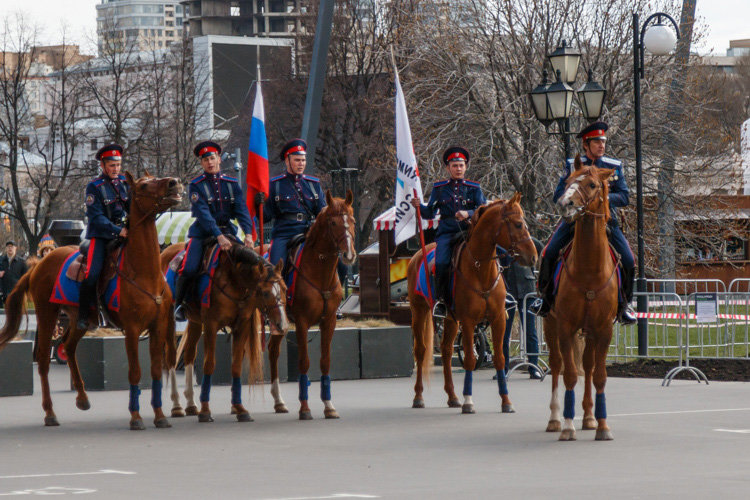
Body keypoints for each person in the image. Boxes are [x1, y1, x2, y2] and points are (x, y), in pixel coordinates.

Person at [530, 122, 636, 324]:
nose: (601, 145)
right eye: (597, 142)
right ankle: (544, 299)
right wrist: (576, 200)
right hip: (574, 221)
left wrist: (599, 200)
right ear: (586, 145)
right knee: (549, 252)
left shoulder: (613, 166)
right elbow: (558, 195)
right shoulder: (573, 165)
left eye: (603, 141)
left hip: (606, 222)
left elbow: (624, 197)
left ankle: (625, 305)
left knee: (629, 260)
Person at [173, 141, 255, 321]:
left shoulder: (232, 183)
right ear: (201, 163)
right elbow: (203, 214)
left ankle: (253, 303)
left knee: (249, 264)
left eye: (212, 158)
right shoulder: (196, 185)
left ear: (219, 158)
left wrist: (248, 233)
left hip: (229, 233)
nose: (210, 163)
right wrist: (218, 236)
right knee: (189, 267)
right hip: (203, 234)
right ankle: (180, 305)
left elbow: (241, 210)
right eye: (205, 160)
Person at [411, 146, 486, 318]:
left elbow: (483, 209)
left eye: (461, 165)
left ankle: (503, 296)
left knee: (497, 255)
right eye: (454, 166)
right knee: (442, 263)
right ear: (448, 168)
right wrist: (419, 206)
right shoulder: (440, 188)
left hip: (470, 231)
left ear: (465, 167)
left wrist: (468, 213)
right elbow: (429, 213)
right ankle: (441, 301)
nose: (458, 169)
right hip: (447, 233)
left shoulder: (474, 188)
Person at [78, 144, 130, 330]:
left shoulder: (125, 183)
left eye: (118, 165)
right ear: (103, 166)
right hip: (102, 236)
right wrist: (117, 230)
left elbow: (132, 208)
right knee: (92, 274)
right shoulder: (94, 187)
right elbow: (96, 216)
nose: (115, 169)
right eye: (111, 165)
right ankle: (84, 314)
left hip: (124, 234)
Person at [261, 139, 326, 267]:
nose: (301, 164)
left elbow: (322, 213)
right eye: (297, 160)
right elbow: (265, 217)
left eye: (303, 160)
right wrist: (258, 204)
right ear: (287, 161)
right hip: (284, 235)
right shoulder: (275, 185)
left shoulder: (313, 185)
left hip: (309, 233)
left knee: (340, 266)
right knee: (276, 269)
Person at [502, 237, 544, 379]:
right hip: (508, 288)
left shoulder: (528, 240)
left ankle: (534, 367)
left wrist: (534, 265)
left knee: (530, 331)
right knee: (504, 331)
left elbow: (540, 248)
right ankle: (503, 368)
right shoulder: (502, 242)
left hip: (527, 288)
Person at [0, 241, 29, 305]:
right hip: (3, 293)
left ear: (16, 248)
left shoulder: (22, 262)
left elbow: (25, 278)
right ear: (6, 248)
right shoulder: (1, 260)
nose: (10, 248)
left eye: (12, 246)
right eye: (8, 247)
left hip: (17, 293)